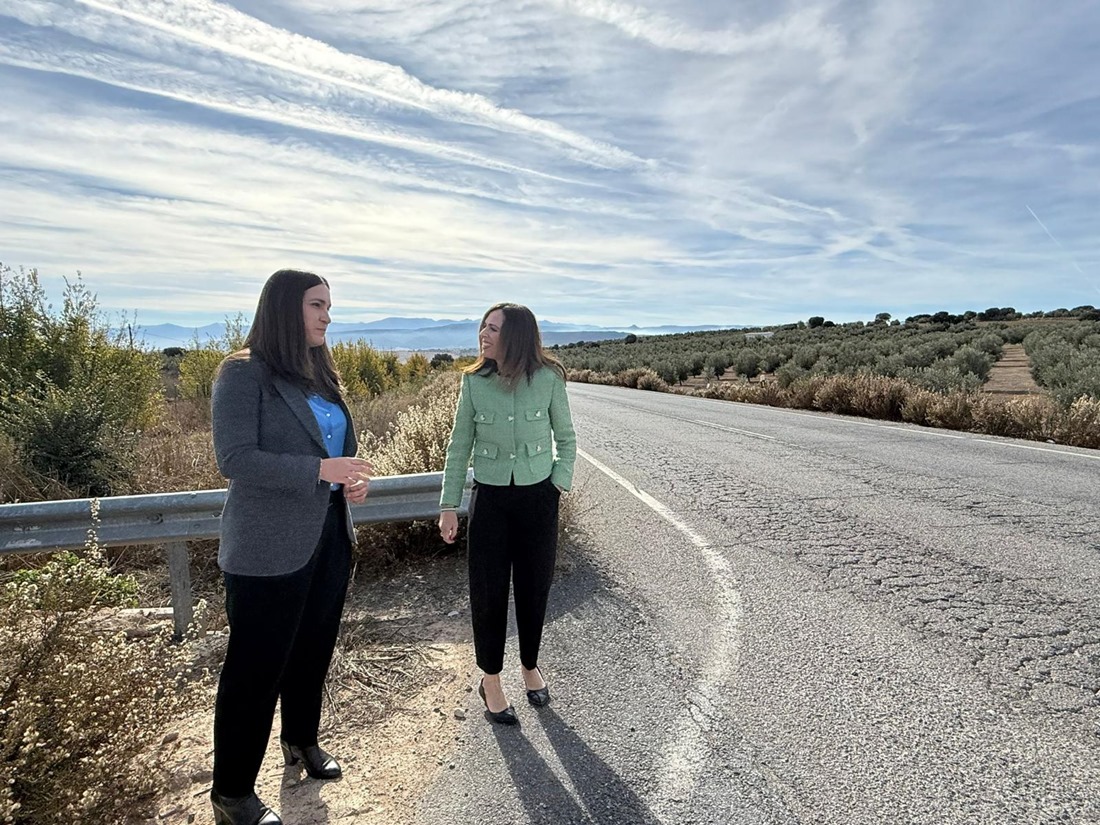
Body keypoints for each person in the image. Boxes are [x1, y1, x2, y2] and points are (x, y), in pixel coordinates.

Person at [208, 269, 372, 825]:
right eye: (318, 305)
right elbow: (235, 460)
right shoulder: (241, 373)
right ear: (284, 309)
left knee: (312, 652)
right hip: (266, 547)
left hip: (329, 535)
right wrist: (319, 469)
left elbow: (339, 451)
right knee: (255, 670)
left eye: (329, 305)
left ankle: (301, 741)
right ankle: (231, 793)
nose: (328, 315)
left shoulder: (321, 374)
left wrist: (351, 480)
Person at [438, 302, 577, 724]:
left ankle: (530, 666)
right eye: (483, 326)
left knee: (534, 589)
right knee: (489, 593)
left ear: (515, 335)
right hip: (492, 502)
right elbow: (458, 446)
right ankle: (491, 680)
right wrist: (448, 505)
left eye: (493, 328)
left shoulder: (549, 378)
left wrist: (557, 484)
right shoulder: (474, 382)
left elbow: (567, 438)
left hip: (538, 499)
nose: (483, 333)